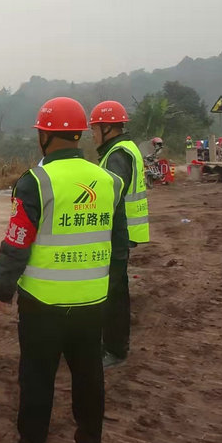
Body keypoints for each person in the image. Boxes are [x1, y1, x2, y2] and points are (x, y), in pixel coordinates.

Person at [0, 97, 129, 443]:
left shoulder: (35, 182)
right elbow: (119, 247)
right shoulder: (109, 181)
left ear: (45, 136)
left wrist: (3, 289)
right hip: (92, 303)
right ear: (80, 134)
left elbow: (17, 242)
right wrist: (109, 289)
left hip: (42, 305)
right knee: (89, 378)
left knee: (37, 379)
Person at [89, 101, 150, 369]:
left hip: (117, 232)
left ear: (107, 128)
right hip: (124, 231)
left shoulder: (117, 155)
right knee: (117, 290)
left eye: (95, 128)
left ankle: (114, 349)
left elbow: (109, 195)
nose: (93, 134)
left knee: (112, 294)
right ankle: (114, 346)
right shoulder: (123, 149)